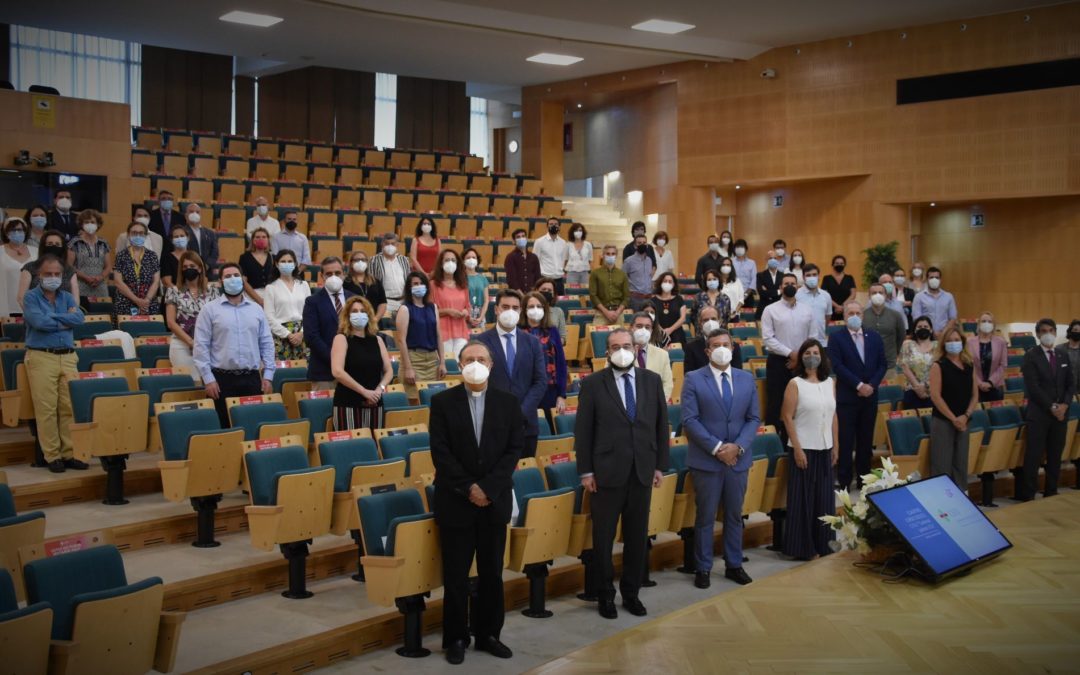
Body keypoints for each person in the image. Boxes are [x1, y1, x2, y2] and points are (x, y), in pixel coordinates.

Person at [430, 341, 521, 664]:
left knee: (491, 573)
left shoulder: (509, 403)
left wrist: (488, 489)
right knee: (456, 576)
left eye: (481, 358)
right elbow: (440, 453)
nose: (475, 363)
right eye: (469, 359)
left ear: (491, 365)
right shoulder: (442, 402)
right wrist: (469, 487)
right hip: (456, 501)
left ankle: (488, 634)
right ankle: (456, 637)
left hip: (493, 501)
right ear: (459, 365)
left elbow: (513, 451)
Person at [576, 328, 668, 619]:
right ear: (607, 351)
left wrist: (659, 465)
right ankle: (605, 595)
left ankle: (631, 593)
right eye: (615, 346)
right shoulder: (592, 384)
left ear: (635, 346)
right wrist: (586, 471)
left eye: (626, 345)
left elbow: (660, 426)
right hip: (605, 474)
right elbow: (583, 431)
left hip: (641, 471)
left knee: (637, 538)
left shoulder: (651, 381)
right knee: (603, 540)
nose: (621, 350)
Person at [682, 328, 759, 588]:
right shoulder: (693, 378)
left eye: (726, 344)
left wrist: (737, 447)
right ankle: (702, 568)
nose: (721, 348)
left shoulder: (746, 379)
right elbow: (690, 420)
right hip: (707, 460)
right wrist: (717, 448)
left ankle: (733, 564)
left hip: (738, 460)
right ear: (707, 351)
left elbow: (753, 419)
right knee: (705, 516)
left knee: (734, 515)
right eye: (716, 345)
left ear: (733, 347)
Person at [22, 255, 87, 473]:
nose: (53, 278)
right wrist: (64, 319)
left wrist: (53, 317)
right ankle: (53, 456)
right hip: (42, 357)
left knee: (69, 407)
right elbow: (38, 322)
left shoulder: (68, 296)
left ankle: (69, 454)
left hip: (68, 356)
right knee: (47, 409)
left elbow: (79, 319)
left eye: (57, 274)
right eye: (48, 274)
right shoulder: (31, 297)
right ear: (39, 275)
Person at [193, 262, 276, 428]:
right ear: (220, 282)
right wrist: (208, 379)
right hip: (221, 380)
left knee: (252, 427)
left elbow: (266, 343)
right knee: (224, 429)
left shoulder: (256, 309)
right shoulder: (209, 310)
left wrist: (268, 374)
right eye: (228, 276)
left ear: (243, 279)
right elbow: (201, 346)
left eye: (236, 275)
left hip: (252, 378)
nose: (233, 279)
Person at [780, 338, 838, 560]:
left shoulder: (829, 382)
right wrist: (797, 448)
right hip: (803, 447)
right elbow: (786, 416)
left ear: (822, 356)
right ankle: (803, 548)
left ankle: (825, 544)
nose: (811, 356)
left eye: (815, 352)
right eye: (807, 353)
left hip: (825, 446)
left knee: (824, 499)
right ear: (801, 358)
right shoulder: (795, 383)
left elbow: (834, 415)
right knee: (802, 500)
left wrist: (836, 445)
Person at [476, 289, 546, 458]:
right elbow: (476, 382)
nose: (510, 311)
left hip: (526, 425)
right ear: (496, 309)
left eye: (515, 308)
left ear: (520, 311)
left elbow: (540, 381)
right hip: (492, 425)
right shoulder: (480, 342)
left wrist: (520, 412)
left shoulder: (532, 343)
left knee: (526, 479)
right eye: (505, 306)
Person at [828, 301, 888, 490]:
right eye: (850, 313)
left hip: (870, 397)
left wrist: (871, 385)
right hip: (848, 397)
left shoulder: (875, 337)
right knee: (846, 440)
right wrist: (859, 385)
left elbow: (882, 364)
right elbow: (837, 366)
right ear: (844, 316)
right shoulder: (837, 338)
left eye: (858, 312)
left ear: (863, 315)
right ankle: (844, 480)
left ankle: (864, 480)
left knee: (865, 440)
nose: (854, 316)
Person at [1019, 319, 1075, 501]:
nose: (1048, 333)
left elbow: (1070, 384)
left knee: (1055, 456)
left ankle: (1051, 492)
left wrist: (1065, 405)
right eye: (1044, 331)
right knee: (1033, 456)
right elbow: (1033, 388)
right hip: (1039, 414)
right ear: (1038, 334)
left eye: (1051, 330)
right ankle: (1028, 495)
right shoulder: (1030, 356)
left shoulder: (1062, 354)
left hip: (1060, 415)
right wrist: (1052, 407)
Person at [331, 296, 392, 432]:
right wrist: (364, 392)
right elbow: (337, 372)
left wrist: (379, 390)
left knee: (375, 446)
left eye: (363, 311)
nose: (359, 314)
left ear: (369, 315)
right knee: (351, 449)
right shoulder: (341, 338)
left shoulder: (378, 340)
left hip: (375, 402)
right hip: (348, 404)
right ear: (347, 315)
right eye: (354, 311)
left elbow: (389, 371)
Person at [761, 273, 813, 434]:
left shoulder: (807, 310)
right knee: (776, 404)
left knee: (802, 403)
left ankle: (799, 440)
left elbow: (813, 336)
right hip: (778, 362)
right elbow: (768, 338)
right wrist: (791, 354)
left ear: (797, 287)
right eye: (786, 283)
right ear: (780, 287)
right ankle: (775, 442)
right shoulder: (770, 310)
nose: (789, 285)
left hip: (803, 363)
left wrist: (800, 357)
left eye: (792, 283)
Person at [928, 327, 979, 491]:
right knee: (941, 465)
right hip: (944, 421)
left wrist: (965, 415)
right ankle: (943, 502)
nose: (953, 343)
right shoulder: (939, 365)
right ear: (943, 344)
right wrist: (953, 418)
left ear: (962, 342)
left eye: (956, 340)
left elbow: (974, 395)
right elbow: (936, 396)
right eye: (949, 340)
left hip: (965, 421)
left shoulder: (969, 365)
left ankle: (962, 498)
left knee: (961, 463)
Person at [303, 257, 354, 390]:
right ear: (321, 276)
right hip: (324, 373)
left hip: (353, 372)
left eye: (337, 273)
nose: (334, 277)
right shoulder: (312, 302)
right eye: (329, 274)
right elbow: (311, 337)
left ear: (344, 274)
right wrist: (336, 360)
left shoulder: (354, 299)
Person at [164, 251, 219, 369]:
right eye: (185, 267)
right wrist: (191, 342)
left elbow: (219, 318)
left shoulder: (212, 291)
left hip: (209, 344)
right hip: (182, 344)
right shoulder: (173, 291)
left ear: (200, 268)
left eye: (192, 266)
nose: (188, 269)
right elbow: (171, 323)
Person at [395, 271, 446, 400]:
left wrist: (442, 363)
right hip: (413, 360)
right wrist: (408, 368)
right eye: (415, 284)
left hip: (432, 361)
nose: (419, 286)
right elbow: (401, 340)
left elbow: (439, 336)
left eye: (422, 283)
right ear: (409, 288)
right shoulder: (405, 309)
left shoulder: (432, 307)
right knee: (413, 400)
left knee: (434, 401)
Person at [521, 291, 568, 429]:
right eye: (531, 306)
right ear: (524, 309)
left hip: (550, 389)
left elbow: (560, 363)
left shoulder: (552, 331)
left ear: (545, 309)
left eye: (539, 306)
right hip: (526, 390)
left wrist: (561, 395)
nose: (535, 309)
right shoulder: (517, 331)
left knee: (550, 427)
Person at [263, 249, 311, 361]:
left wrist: (302, 333)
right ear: (276, 264)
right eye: (283, 261)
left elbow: (309, 313)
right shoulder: (271, 288)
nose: (286, 264)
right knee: (283, 371)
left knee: (304, 371)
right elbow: (269, 317)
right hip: (281, 336)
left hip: (303, 334)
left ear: (295, 264)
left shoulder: (303, 285)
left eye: (290, 261)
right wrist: (288, 335)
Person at [112, 221, 161, 318]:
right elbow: (118, 282)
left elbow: (156, 281)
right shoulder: (121, 255)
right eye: (134, 233)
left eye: (141, 233)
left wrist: (146, 300)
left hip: (148, 304)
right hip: (125, 303)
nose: (138, 235)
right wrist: (136, 300)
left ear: (145, 235)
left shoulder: (152, 256)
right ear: (128, 235)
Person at [18, 230, 79, 309]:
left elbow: (75, 300)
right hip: (37, 316)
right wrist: (35, 315)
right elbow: (21, 298)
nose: (53, 247)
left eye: (57, 244)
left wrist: (67, 316)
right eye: (50, 244)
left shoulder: (69, 270)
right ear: (43, 246)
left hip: (64, 317)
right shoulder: (30, 267)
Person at [431, 249, 471, 358]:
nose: (450, 263)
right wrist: (448, 311)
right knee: (447, 365)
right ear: (441, 264)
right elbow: (429, 311)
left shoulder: (463, 284)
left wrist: (465, 312)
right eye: (447, 260)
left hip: (461, 331)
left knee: (460, 364)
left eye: (453, 260)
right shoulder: (434, 285)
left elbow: (468, 306)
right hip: (442, 332)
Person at [629, 312, 674, 401]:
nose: (643, 330)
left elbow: (667, 384)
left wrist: (658, 404)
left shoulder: (663, 355)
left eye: (647, 327)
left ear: (651, 331)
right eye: (639, 326)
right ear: (631, 328)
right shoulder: (620, 353)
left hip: (655, 405)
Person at [684, 306, 743, 373]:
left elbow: (738, 374)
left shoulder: (734, 346)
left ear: (720, 321)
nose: (710, 322)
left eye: (713, 319)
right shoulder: (691, 348)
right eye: (706, 320)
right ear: (700, 324)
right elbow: (689, 376)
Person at [861, 282, 906, 370]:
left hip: (889, 363)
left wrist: (895, 353)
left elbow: (901, 336)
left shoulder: (896, 315)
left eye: (880, 293)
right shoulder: (862, 315)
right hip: (868, 363)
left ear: (885, 295)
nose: (877, 295)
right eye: (874, 293)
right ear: (869, 296)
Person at [69, 210, 111, 301]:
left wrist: (100, 278)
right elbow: (69, 266)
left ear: (98, 224)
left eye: (92, 222)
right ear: (81, 224)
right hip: (80, 285)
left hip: (101, 286)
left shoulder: (104, 243)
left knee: (102, 313)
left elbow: (108, 267)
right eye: (86, 222)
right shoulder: (74, 242)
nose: (90, 224)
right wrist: (86, 278)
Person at [967, 311, 1007, 403]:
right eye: (983, 321)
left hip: (995, 387)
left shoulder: (1001, 342)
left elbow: (1003, 365)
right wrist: (979, 383)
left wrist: (990, 382)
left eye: (989, 322)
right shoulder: (969, 342)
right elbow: (968, 364)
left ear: (994, 325)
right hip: (975, 386)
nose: (986, 324)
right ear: (978, 324)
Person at [899, 316, 937, 410]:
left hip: (934, 390)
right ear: (915, 330)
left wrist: (926, 386)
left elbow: (940, 369)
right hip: (912, 389)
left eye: (926, 326)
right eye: (919, 327)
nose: (923, 328)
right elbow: (905, 367)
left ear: (931, 330)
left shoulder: (938, 346)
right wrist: (918, 388)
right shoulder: (907, 344)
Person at [368, 233, 411, 315]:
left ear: (397, 245)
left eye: (393, 244)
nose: (390, 246)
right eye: (387, 243)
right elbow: (371, 283)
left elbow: (408, 279)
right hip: (385, 303)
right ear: (382, 244)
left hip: (403, 302)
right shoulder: (374, 261)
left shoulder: (404, 260)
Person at [1, 218, 35, 316]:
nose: (16, 232)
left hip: (32, 306)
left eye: (20, 230)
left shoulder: (36, 251)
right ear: (6, 233)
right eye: (12, 230)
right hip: (7, 306)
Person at [342, 250, 387, 323]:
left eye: (363, 260)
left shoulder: (376, 281)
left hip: (374, 321)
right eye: (356, 260)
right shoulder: (346, 282)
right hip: (353, 321)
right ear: (351, 263)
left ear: (367, 263)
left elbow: (382, 303)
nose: (360, 262)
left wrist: (375, 319)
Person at [911, 267, 957, 339]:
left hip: (944, 336)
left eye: (937, 277)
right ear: (927, 279)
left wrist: (943, 333)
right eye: (931, 277)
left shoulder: (949, 296)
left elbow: (953, 318)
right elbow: (917, 319)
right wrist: (931, 332)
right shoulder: (919, 297)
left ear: (940, 280)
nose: (934, 279)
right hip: (925, 336)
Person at [588, 245, 628, 325]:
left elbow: (627, 297)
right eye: (608, 254)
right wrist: (606, 312)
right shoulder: (595, 273)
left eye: (613, 254)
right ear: (603, 255)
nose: (610, 256)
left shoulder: (622, 274)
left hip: (618, 314)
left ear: (616, 256)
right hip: (601, 314)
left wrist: (617, 312)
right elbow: (593, 295)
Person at [795, 264, 833, 346]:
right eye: (808, 275)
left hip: (821, 342)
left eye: (814, 274)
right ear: (803, 277)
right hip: (801, 343)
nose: (811, 277)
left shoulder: (826, 295)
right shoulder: (796, 295)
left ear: (819, 276)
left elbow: (827, 317)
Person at [533, 217, 568, 295]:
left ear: (559, 226)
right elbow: (535, 260)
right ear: (547, 226)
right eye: (551, 224)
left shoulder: (563, 243)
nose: (553, 226)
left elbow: (563, 259)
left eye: (556, 224)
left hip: (559, 279)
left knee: (559, 302)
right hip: (545, 279)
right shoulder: (539, 241)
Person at [239, 227, 274, 306]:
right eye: (257, 237)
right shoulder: (244, 257)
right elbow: (243, 281)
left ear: (268, 240)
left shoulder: (272, 257)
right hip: (251, 296)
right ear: (253, 240)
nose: (261, 239)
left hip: (270, 296)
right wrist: (259, 300)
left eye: (264, 237)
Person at [651, 272, 687, 347]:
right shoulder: (653, 301)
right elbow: (651, 318)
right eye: (665, 281)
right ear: (660, 283)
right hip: (658, 334)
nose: (667, 283)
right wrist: (662, 331)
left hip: (677, 334)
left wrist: (670, 329)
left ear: (673, 284)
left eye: (670, 281)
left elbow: (683, 318)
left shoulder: (679, 299)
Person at [183, 203, 218, 279]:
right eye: (191, 212)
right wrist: (193, 266)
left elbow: (214, 252)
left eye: (197, 212)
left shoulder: (210, 233)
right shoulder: (182, 232)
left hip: (207, 272)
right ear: (186, 215)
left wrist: (206, 265)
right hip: (189, 271)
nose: (194, 214)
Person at [623, 233, 655, 312]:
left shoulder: (649, 260)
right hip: (635, 299)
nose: (642, 245)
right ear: (635, 245)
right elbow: (623, 277)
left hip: (648, 298)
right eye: (639, 243)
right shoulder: (628, 261)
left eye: (644, 243)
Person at [504, 228, 541, 294]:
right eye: (518, 237)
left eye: (523, 236)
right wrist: (522, 296)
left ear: (526, 239)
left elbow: (537, 278)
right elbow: (511, 280)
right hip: (516, 295)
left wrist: (533, 294)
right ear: (514, 241)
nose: (521, 238)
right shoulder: (510, 257)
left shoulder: (534, 257)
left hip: (532, 294)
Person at [821, 255, 856, 321]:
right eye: (837, 263)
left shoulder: (849, 278)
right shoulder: (826, 278)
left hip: (847, 310)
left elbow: (853, 294)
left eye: (841, 263)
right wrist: (837, 306)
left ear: (844, 265)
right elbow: (824, 295)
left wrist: (843, 306)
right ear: (832, 264)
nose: (839, 265)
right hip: (830, 310)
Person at [463, 247, 490, 331]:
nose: (471, 259)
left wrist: (481, 317)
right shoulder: (460, 278)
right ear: (463, 261)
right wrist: (468, 317)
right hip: (465, 314)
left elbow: (486, 300)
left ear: (477, 260)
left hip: (480, 315)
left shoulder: (483, 278)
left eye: (474, 257)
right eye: (468, 257)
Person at [534, 278, 567, 344]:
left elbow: (563, 337)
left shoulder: (558, 311)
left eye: (549, 290)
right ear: (536, 290)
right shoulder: (530, 310)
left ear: (553, 293)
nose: (546, 292)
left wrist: (553, 343)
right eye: (543, 289)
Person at [754, 254, 783, 320]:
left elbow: (784, 291)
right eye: (770, 258)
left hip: (779, 309)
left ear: (778, 260)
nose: (773, 260)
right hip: (763, 309)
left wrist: (768, 291)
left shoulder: (783, 275)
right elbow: (761, 292)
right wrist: (778, 291)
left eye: (775, 258)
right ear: (767, 260)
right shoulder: (760, 275)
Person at [1056, 320, 1080, 397]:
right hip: (1063, 391)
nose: (1078, 332)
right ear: (1070, 331)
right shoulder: (1059, 349)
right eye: (1075, 330)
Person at [564, 222, 592, 287]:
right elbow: (566, 259)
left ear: (583, 232)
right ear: (572, 232)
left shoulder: (588, 244)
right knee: (572, 293)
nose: (578, 232)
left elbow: (590, 259)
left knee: (584, 293)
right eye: (576, 230)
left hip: (584, 272)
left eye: (580, 230)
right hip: (572, 272)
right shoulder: (568, 245)